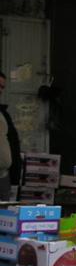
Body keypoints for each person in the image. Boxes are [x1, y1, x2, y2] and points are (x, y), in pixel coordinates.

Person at [0, 71, 21, 199]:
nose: (0, 90)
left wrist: (15, 173)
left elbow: (12, 142)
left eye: (2, 87)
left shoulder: (3, 114)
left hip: (3, 176)